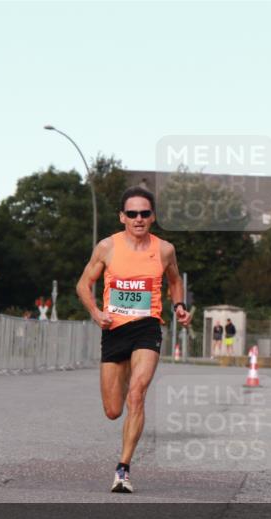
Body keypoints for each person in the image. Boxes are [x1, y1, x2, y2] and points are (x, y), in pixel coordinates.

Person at [76, 186, 192, 493]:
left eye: (144, 213)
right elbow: (83, 285)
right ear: (122, 217)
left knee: (137, 394)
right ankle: (126, 380)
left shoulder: (165, 250)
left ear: (152, 217)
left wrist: (180, 306)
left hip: (147, 327)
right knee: (113, 410)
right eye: (132, 214)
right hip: (114, 329)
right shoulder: (107, 247)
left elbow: (176, 281)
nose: (138, 219)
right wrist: (96, 312)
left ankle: (123, 469)